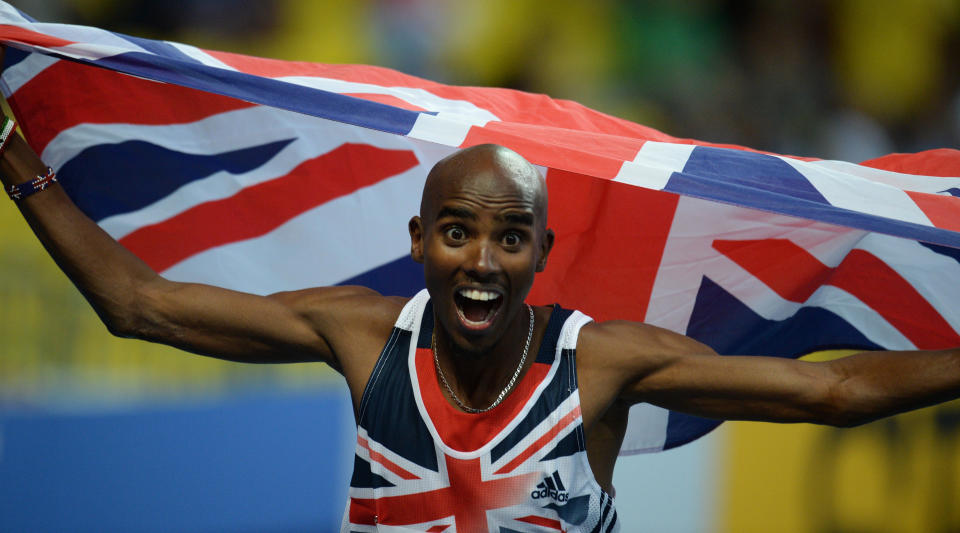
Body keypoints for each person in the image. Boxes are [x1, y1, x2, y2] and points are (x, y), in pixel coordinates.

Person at [2, 113, 959, 532]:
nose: (482, 262)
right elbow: (138, 305)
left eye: (510, 238)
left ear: (544, 251)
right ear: (419, 240)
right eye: (458, 233)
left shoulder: (601, 364)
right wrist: (13, 156)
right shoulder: (365, 336)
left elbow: (833, 389)